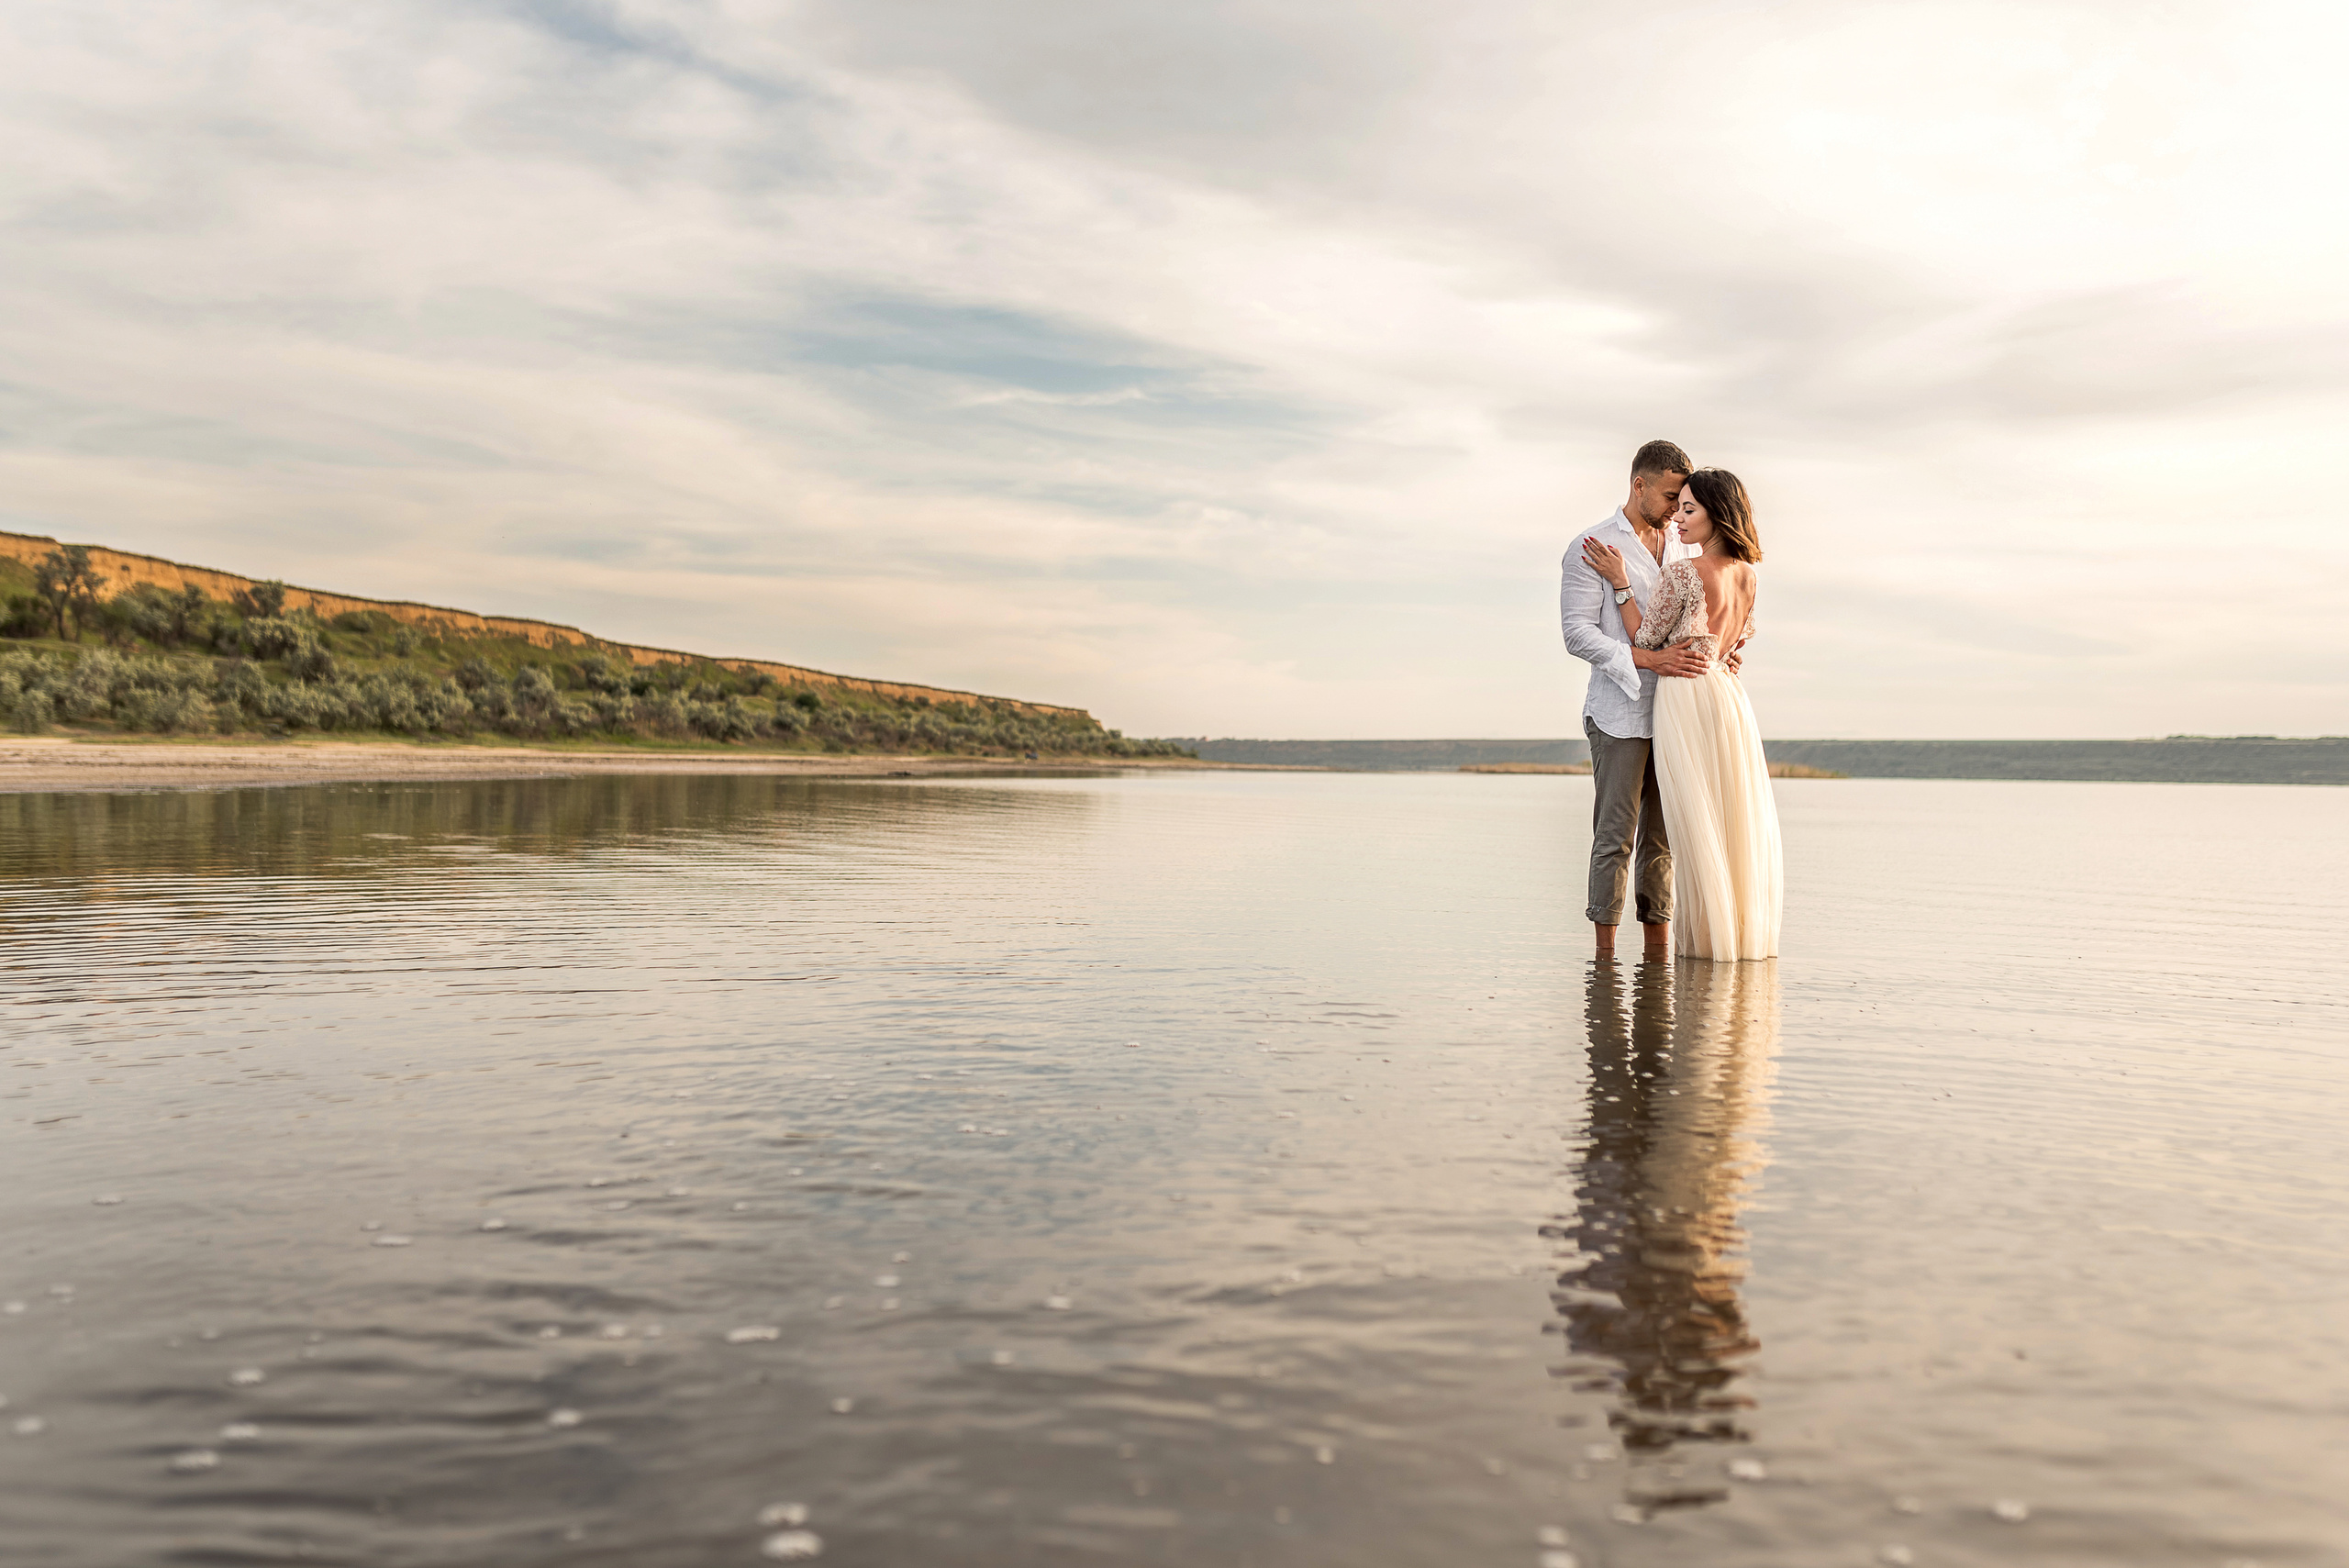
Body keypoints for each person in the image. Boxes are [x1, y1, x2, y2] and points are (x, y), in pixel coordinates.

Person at [1581, 469, 1783, 960]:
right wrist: (1724, 654)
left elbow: (1644, 639)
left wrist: (1622, 583)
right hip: (1727, 700)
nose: (1678, 520)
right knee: (1717, 818)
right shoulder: (1748, 575)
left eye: (1689, 509)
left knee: (1686, 820)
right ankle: (1717, 943)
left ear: (1718, 513)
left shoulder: (1685, 571)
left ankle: (1625, 960)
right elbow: (1735, 642)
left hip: (1685, 698)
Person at [1559, 440, 1709, 961]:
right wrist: (1650, 661)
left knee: (1662, 841)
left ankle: (1656, 955)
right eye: (1670, 496)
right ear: (1638, 485)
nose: (1676, 509)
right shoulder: (1591, 544)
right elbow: (1576, 634)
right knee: (1615, 836)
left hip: (1676, 712)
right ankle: (1603, 959)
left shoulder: (1688, 546)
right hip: (1619, 711)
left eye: (1683, 500)